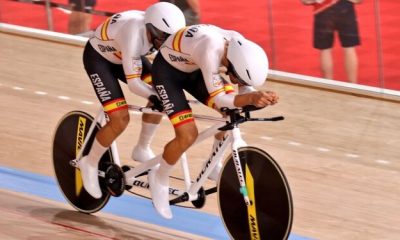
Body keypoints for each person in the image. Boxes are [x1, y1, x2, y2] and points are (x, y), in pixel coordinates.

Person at [149, 24, 279, 219]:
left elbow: (244, 90)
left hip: (194, 67)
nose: (234, 82)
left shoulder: (239, 48)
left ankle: (213, 165)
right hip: (168, 73)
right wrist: (251, 99)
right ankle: (159, 178)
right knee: (187, 135)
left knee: (232, 110)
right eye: (235, 77)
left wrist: (258, 98)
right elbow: (220, 99)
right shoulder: (211, 47)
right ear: (232, 63)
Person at [78, 2, 186, 199]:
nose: (166, 43)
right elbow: (135, 84)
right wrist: (154, 96)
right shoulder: (134, 34)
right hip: (100, 61)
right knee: (120, 119)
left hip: (124, 56)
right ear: (151, 29)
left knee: (163, 93)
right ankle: (90, 162)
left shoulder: (156, 32)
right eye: (163, 38)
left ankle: (142, 147)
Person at [301, 0, 362, 83]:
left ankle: (328, 85)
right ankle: (353, 85)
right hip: (345, 8)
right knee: (349, 48)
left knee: (325, 50)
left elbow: (306, 1)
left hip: (322, 10)